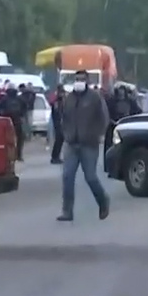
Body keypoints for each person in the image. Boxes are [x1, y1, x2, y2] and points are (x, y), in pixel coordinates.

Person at [57, 70, 110, 221]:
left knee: (91, 177)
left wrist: (98, 134)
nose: (79, 81)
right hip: (72, 144)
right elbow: (63, 118)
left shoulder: (95, 98)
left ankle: (103, 201)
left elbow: (104, 118)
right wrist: (66, 133)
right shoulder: (69, 98)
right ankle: (67, 211)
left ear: (87, 80)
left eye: (82, 78)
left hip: (89, 144)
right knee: (67, 176)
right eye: (77, 78)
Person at [0, 86, 27, 161]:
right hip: (16, 120)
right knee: (19, 138)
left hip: (7, 121)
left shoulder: (5, 99)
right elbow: (25, 107)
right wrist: (21, 114)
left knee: (6, 138)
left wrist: (2, 116)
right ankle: (18, 155)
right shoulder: (19, 99)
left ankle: (8, 154)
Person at [49, 88, 65, 164]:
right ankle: (55, 157)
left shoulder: (59, 101)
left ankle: (56, 156)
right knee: (59, 139)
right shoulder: (56, 101)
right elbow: (57, 112)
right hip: (57, 122)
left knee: (60, 140)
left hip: (58, 122)